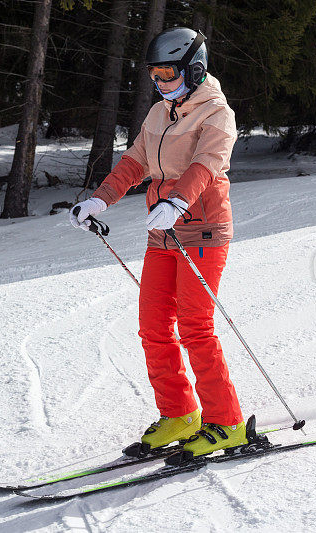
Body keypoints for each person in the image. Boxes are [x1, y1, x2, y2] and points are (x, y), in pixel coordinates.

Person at [70, 27, 244, 458]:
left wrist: (179, 200)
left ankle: (227, 422)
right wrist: (99, 199)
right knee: (152, 329)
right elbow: (134, 162)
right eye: (155, 75)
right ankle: (180, 414)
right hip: (162, 231)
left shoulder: (217, 115)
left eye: (168, 73)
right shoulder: (158, 113)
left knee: (196, 328)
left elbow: (206, 165)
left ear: (195, 70)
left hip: (202, 229)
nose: (160, 83)